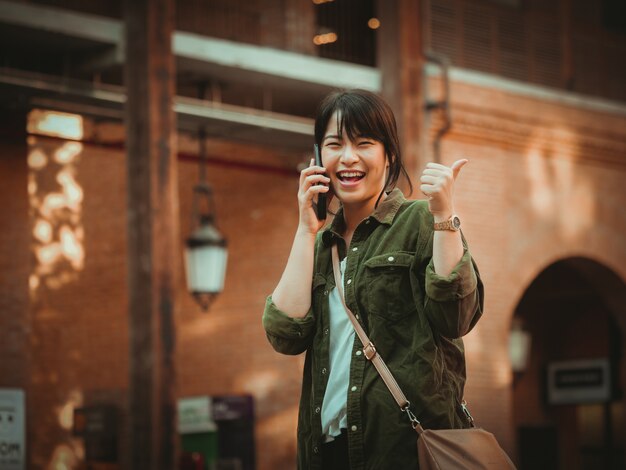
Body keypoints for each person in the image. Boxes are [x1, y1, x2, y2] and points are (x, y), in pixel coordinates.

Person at [262, 89, 484, 469]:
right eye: (334, 144)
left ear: (389, 154)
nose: (348, 157)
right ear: (318, 158)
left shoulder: (417, 221)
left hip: (404, 448)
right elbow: (285, 334)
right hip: (327, 452)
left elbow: (456, 317)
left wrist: (445, 215)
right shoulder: (319, 246)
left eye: (364, 143)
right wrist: (305, 230)